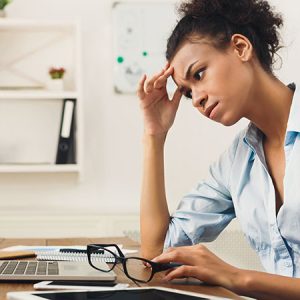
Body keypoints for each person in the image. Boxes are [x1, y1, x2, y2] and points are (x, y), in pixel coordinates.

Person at [137, 0, 300, 299]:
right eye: (187, 93)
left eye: (198, 75)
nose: (196, 99)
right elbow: (156, 253)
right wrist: (154, 136)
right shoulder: (238, 161)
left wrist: (237, 278)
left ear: (240, 48)